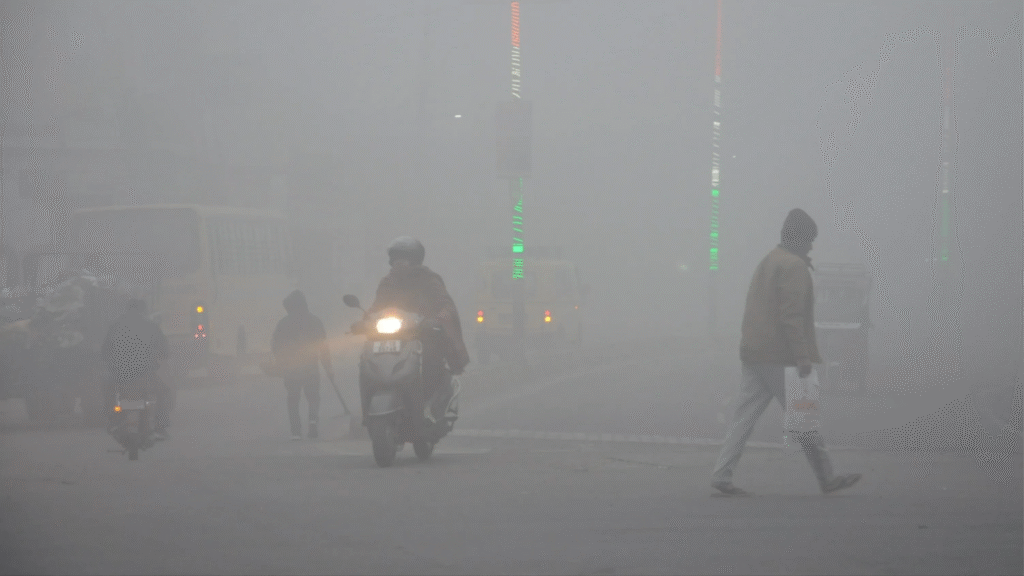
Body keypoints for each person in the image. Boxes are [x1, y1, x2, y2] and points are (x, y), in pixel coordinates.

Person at [710, 208, 862, 496]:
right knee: (805, 419)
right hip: (781, 356)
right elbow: (791, 316)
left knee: (743, 419)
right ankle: (827, 478)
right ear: (800, 239)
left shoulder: (769, 260)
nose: (812, 246)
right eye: (810, 240)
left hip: (754, 352)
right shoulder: (793, 267)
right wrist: (803, 356)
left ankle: (721, 473)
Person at [354, 237, 469, 428]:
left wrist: (436, 320)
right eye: (396, 258)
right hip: (389, 338)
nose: (399, 262)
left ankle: (429, 408)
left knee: (431, 362)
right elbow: (376, 307)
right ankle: (368, 412)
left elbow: (445, 305)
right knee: (365, 363)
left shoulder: (429, 280)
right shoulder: (387, 283)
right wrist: (364, 320)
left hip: (422, 335)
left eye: (405, 258)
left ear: (415, 260)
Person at [101, 298, 171, 440]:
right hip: (144, 373)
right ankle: (160, 427)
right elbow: (164, 350)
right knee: (162, 393)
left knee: (109, 393)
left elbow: (105, 352)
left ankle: (113, 420)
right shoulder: (151, 325)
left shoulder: (115, 325)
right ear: (143, 310)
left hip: (119, 374)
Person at [271, 289, 334, 440]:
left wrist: (281, 362)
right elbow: (323, 348)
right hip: (310, 368)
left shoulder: (283, 323)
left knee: (293, 398)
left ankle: (296, 431)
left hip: (291, 368)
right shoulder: (315, 321)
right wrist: (328, 369)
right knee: (313, 397)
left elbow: (276, 346)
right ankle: (312, 422)